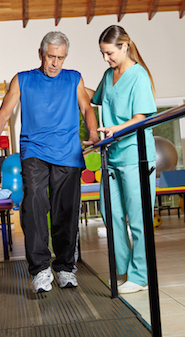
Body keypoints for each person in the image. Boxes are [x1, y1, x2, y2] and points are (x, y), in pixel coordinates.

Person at [0, 31, 99, 293]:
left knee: (65, 211)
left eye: (61, 58)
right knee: (33, 203)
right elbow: (4, 112)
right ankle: (41, 269)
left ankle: (65, 267)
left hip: (68, 152)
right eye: (51, 57)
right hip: (34, 151)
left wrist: (93, 133)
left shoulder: (74, 78)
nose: (55, 63)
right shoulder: (23, 80)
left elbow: (87, 108)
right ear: (40, 54)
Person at [86, 25, 156, 294]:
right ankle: (124, 269)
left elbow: (141, 118)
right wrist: (76, 84)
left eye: (109, 53)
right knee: (110, 212)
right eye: (103, 54)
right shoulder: (109, 74)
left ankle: (140, 276)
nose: (106, 58)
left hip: (135, 156)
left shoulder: (138, 76)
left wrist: (116, 129)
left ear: (124, 46)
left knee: (138, 219)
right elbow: (96, 98)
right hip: (112, 156)